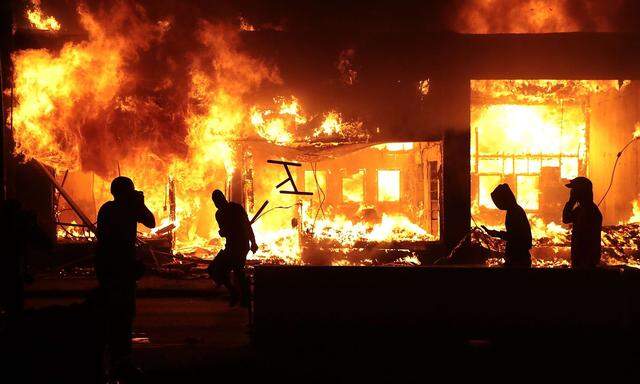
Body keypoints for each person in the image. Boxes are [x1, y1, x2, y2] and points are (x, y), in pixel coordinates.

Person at [96, 176, 155, 380]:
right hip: (118, 268)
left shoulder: (107, 209)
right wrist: (140, 204)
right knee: (122, 313)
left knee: (118, 314)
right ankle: (120, 362)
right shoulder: (120, 210)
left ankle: (115, 360)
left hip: (108, 267)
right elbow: (150, 221)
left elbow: (151, 222)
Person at [210, 189, 258, 307]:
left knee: (237, 271)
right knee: (215, 270)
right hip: (231, 246)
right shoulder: (219, 214)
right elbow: (226, 231)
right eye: (216, 201)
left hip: (240, 246)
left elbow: (246, 225)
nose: (217, 203)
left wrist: (253, 242)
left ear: (223, 198)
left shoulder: (236, 208)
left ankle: (242, 297)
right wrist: (223, 232)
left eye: (218, 199)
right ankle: (237, 294)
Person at [482, 183, 532, 267]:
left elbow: (514, 236)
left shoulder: (514, 212)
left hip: (518, 258)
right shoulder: (514, 210)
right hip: (518, 256)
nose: (497, 204)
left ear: (504, 199)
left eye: (498, 201)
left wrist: (495, 233)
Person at [562, 177, 602, 268]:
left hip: (586, 260)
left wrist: (571, 201)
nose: (572, 192)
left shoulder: (590, 211)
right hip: (579, 258)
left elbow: (586, 239)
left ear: (581, 192)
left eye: (574, 190)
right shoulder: (580, 209)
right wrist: (571, 202)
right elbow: (566, 219)